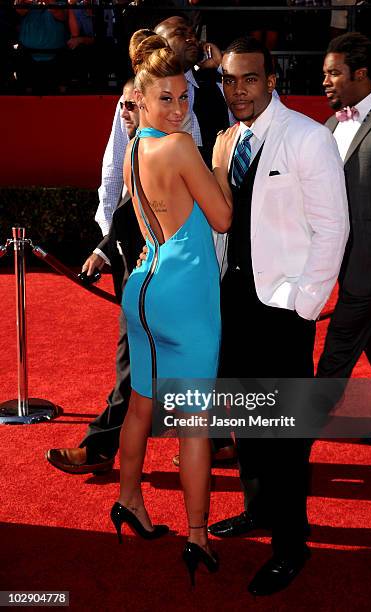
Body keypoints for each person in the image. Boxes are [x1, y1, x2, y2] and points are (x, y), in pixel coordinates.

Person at [46, 16, 234, 475]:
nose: (188, 40)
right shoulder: (136, 96)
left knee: (198, 358)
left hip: (203, 251)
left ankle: (212, 445)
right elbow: (116, 175)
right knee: (140, 363)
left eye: (191, 33)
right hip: (156, 252)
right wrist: (109, 243)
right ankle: (106, 447)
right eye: (175, 37)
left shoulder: (215, 91)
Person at [208, 37, 349, 596]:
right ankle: (258, 510)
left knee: (285, 437)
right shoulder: (228, 139)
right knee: (246, 423)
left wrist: (305, 303)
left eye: (248, 79)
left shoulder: (307, 139)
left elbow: (333, 228)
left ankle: (292, 545)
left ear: (272, 81)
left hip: (284, 311)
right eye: (228, 80)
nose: (236, 90)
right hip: (235, 304)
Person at [113, 33, 234, 583]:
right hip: (186, 298)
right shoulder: (182, 147)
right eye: (166, 98)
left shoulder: (137, 144)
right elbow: (223, 218)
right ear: (140, 99)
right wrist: (223, 164)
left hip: (142, 289)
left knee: (141, 403)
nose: (181, 108)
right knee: (195, 425)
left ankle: (130, 500)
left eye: (184, 97)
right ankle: (197, 535)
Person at [46, 78, 142, 475]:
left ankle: (100, 447)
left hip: (159, 279)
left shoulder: (167, 149)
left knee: (135, 368)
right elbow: (120, 204)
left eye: (131, 106)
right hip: (139, 274)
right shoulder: (135, 146)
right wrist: (106, 249)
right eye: (121, 104)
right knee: (139, 368)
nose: (123, 113)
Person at [318, 32, 371, 445]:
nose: (326, 81)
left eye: (334, 73)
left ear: (363, 74)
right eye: (324, 73)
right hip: (340, 259)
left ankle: (301, 428)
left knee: (338, 349)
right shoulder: (332, 124)